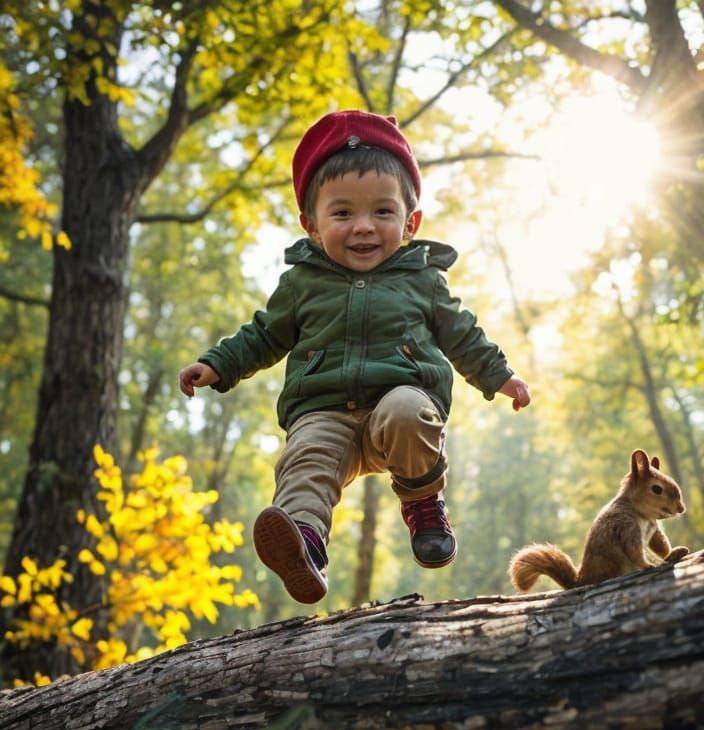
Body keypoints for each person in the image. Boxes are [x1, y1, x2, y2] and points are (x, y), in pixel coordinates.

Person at [179, 109, 531, 604]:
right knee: (304, 460)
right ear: (312, 225)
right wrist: (218, 364)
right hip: (323, 410)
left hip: (398, 403)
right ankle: (303, 543)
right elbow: (262, 334)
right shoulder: (302, 283)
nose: (364, 227)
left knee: (410, 411)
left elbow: (463, 335)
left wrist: (501, 375)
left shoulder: (423, 279)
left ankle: (424, 505)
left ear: (411, 222)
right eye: (343, 213)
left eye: (382, 213)